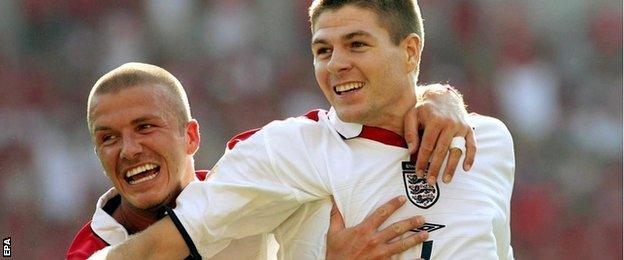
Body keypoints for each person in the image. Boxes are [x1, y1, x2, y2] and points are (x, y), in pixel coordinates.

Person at [93, 0, 515, 258]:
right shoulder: (286, 151)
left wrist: (441, 96)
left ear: (409, 51)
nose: (335, 64)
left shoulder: (489, 141)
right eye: (322, 50)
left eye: (357, 44)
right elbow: (164, 244)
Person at [69, 62, 474, 259]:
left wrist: (436, 99)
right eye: (108, 138)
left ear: (190, 136)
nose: (129, 149)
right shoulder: (91, 252)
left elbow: (337, 126)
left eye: (144, 127)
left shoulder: (243, 183)